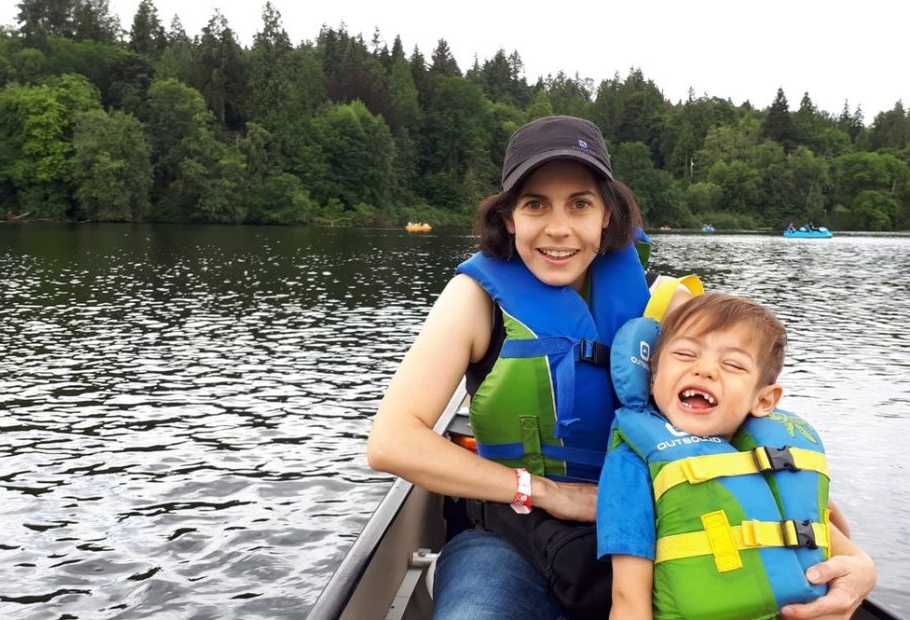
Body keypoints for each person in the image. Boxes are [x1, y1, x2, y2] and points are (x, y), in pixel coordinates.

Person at [367, 116, 875, 620]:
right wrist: (548, 492)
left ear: (607, 214)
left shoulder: (668, 304)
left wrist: (856, 560)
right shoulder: (474, 299)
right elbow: (392, 442)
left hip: (657, 534)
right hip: (507, 538)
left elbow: (742, 422)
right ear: (508, 219)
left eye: (580, 204)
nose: (558, 229)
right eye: (535, 204)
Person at [598, 293, 876, 619]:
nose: (704, 370)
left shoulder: (774, 456)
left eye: (732, 364)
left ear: (763, 400)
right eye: (686, 354)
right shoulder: (633, 463)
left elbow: (827, 534)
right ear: (654, 377)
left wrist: (863, 567)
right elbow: (628, 600)